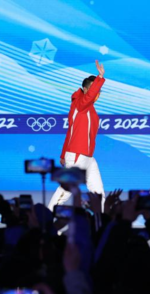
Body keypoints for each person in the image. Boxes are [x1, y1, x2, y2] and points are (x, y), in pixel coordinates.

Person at [48, 60, 106, 211]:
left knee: (98, 192)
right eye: (94, 90)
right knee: (66, 190)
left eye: (99, 92)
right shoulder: (79, 104)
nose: (97, 94)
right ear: (86, 90)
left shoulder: (90, 109)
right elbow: (87, 99)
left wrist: (62, 154)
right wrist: (100, 77)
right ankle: (47, 218)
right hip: (77, 155)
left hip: (87, 156)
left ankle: (103, 222)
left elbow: (71, 132)